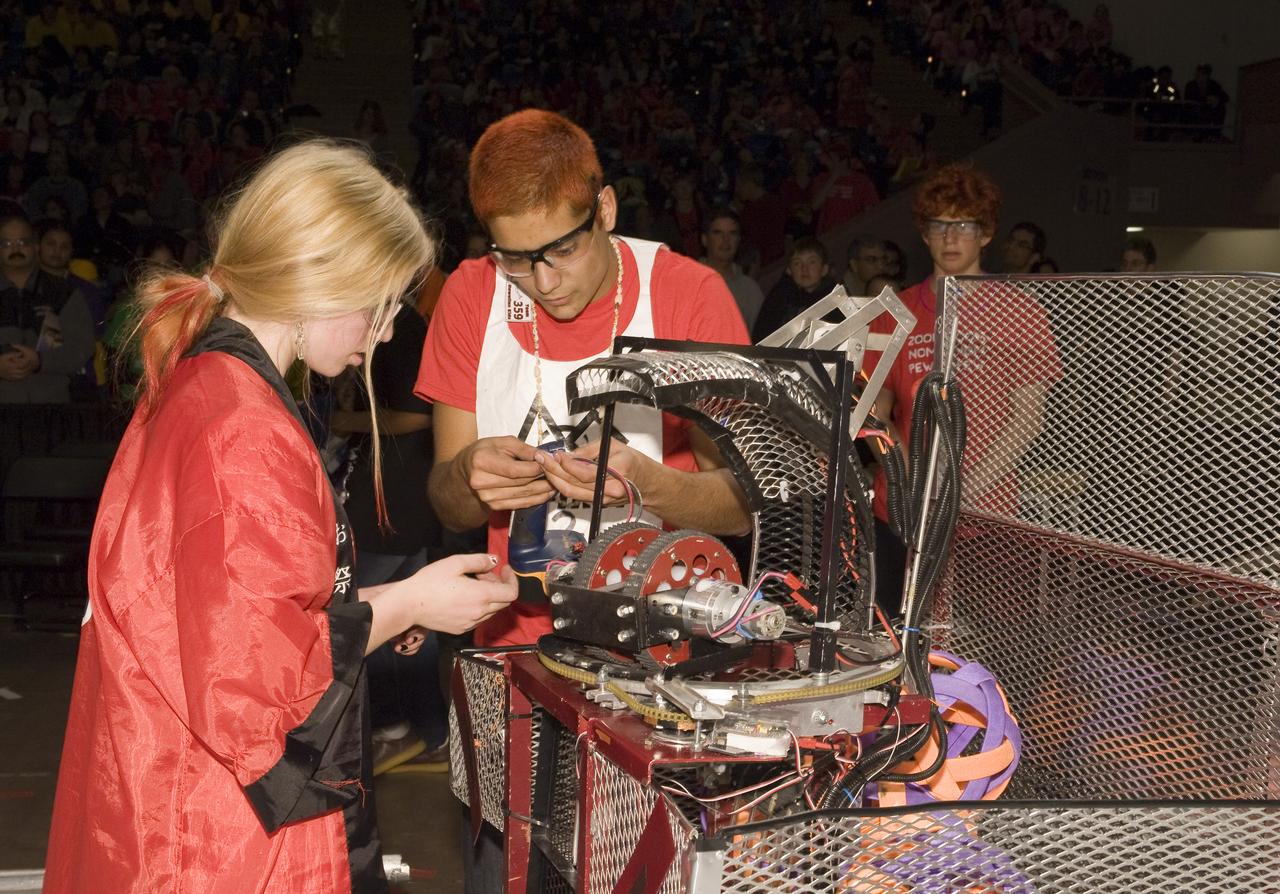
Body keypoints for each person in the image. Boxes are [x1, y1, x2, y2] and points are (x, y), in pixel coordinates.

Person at [43, 140, 518, 894]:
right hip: (221, 829)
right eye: (385, 304)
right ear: (325, 281)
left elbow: (230, 610)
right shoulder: (243, 424)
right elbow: (253, 678)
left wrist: (378, 609)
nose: (387, 331)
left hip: (174, 780)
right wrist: (410, 601)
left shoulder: (209, 380)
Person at [417, 109, 751, 652]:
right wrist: (467, 475)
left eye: (564, 249)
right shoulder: (472, 294)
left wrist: (650, 482)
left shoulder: (689, 296)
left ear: (606, 209)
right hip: (517, 634)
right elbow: (449, 505)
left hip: (663, 638)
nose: (544, 281)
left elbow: (739, 508)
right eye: (516, 258)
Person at [866, 163, 1061, 610]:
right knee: (893, 638)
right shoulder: (895, 313)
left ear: (986, 234)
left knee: (976, 652)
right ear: (924, 233)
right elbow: (875, 412)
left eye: (964, 226)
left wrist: (964, 490)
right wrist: (912, 480)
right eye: (939, 226)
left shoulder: (1020, 311)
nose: (951, 238)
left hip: (984, 513)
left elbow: (1028, 418)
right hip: (902, 509)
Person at [0, 213, 94, 403]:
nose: (16, 249)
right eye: (7, 244)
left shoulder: (63, 292)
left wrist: (40, 361)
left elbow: (82, 349)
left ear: (35, 247)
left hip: (51, 407)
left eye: (22, 242)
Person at [751, 237, 839, 341]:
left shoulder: (835, 298)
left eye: (812, 262)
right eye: (797, 263)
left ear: (824, 269)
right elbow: (761, 337)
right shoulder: (779, 298)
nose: (804, 268)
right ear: (789, 270)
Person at [700, 207, 763, 332]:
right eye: (718, 233)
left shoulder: (750, 290)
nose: (726, 240)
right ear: (705, 239)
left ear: (738, 240)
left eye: (732, 233)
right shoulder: (686, 282)